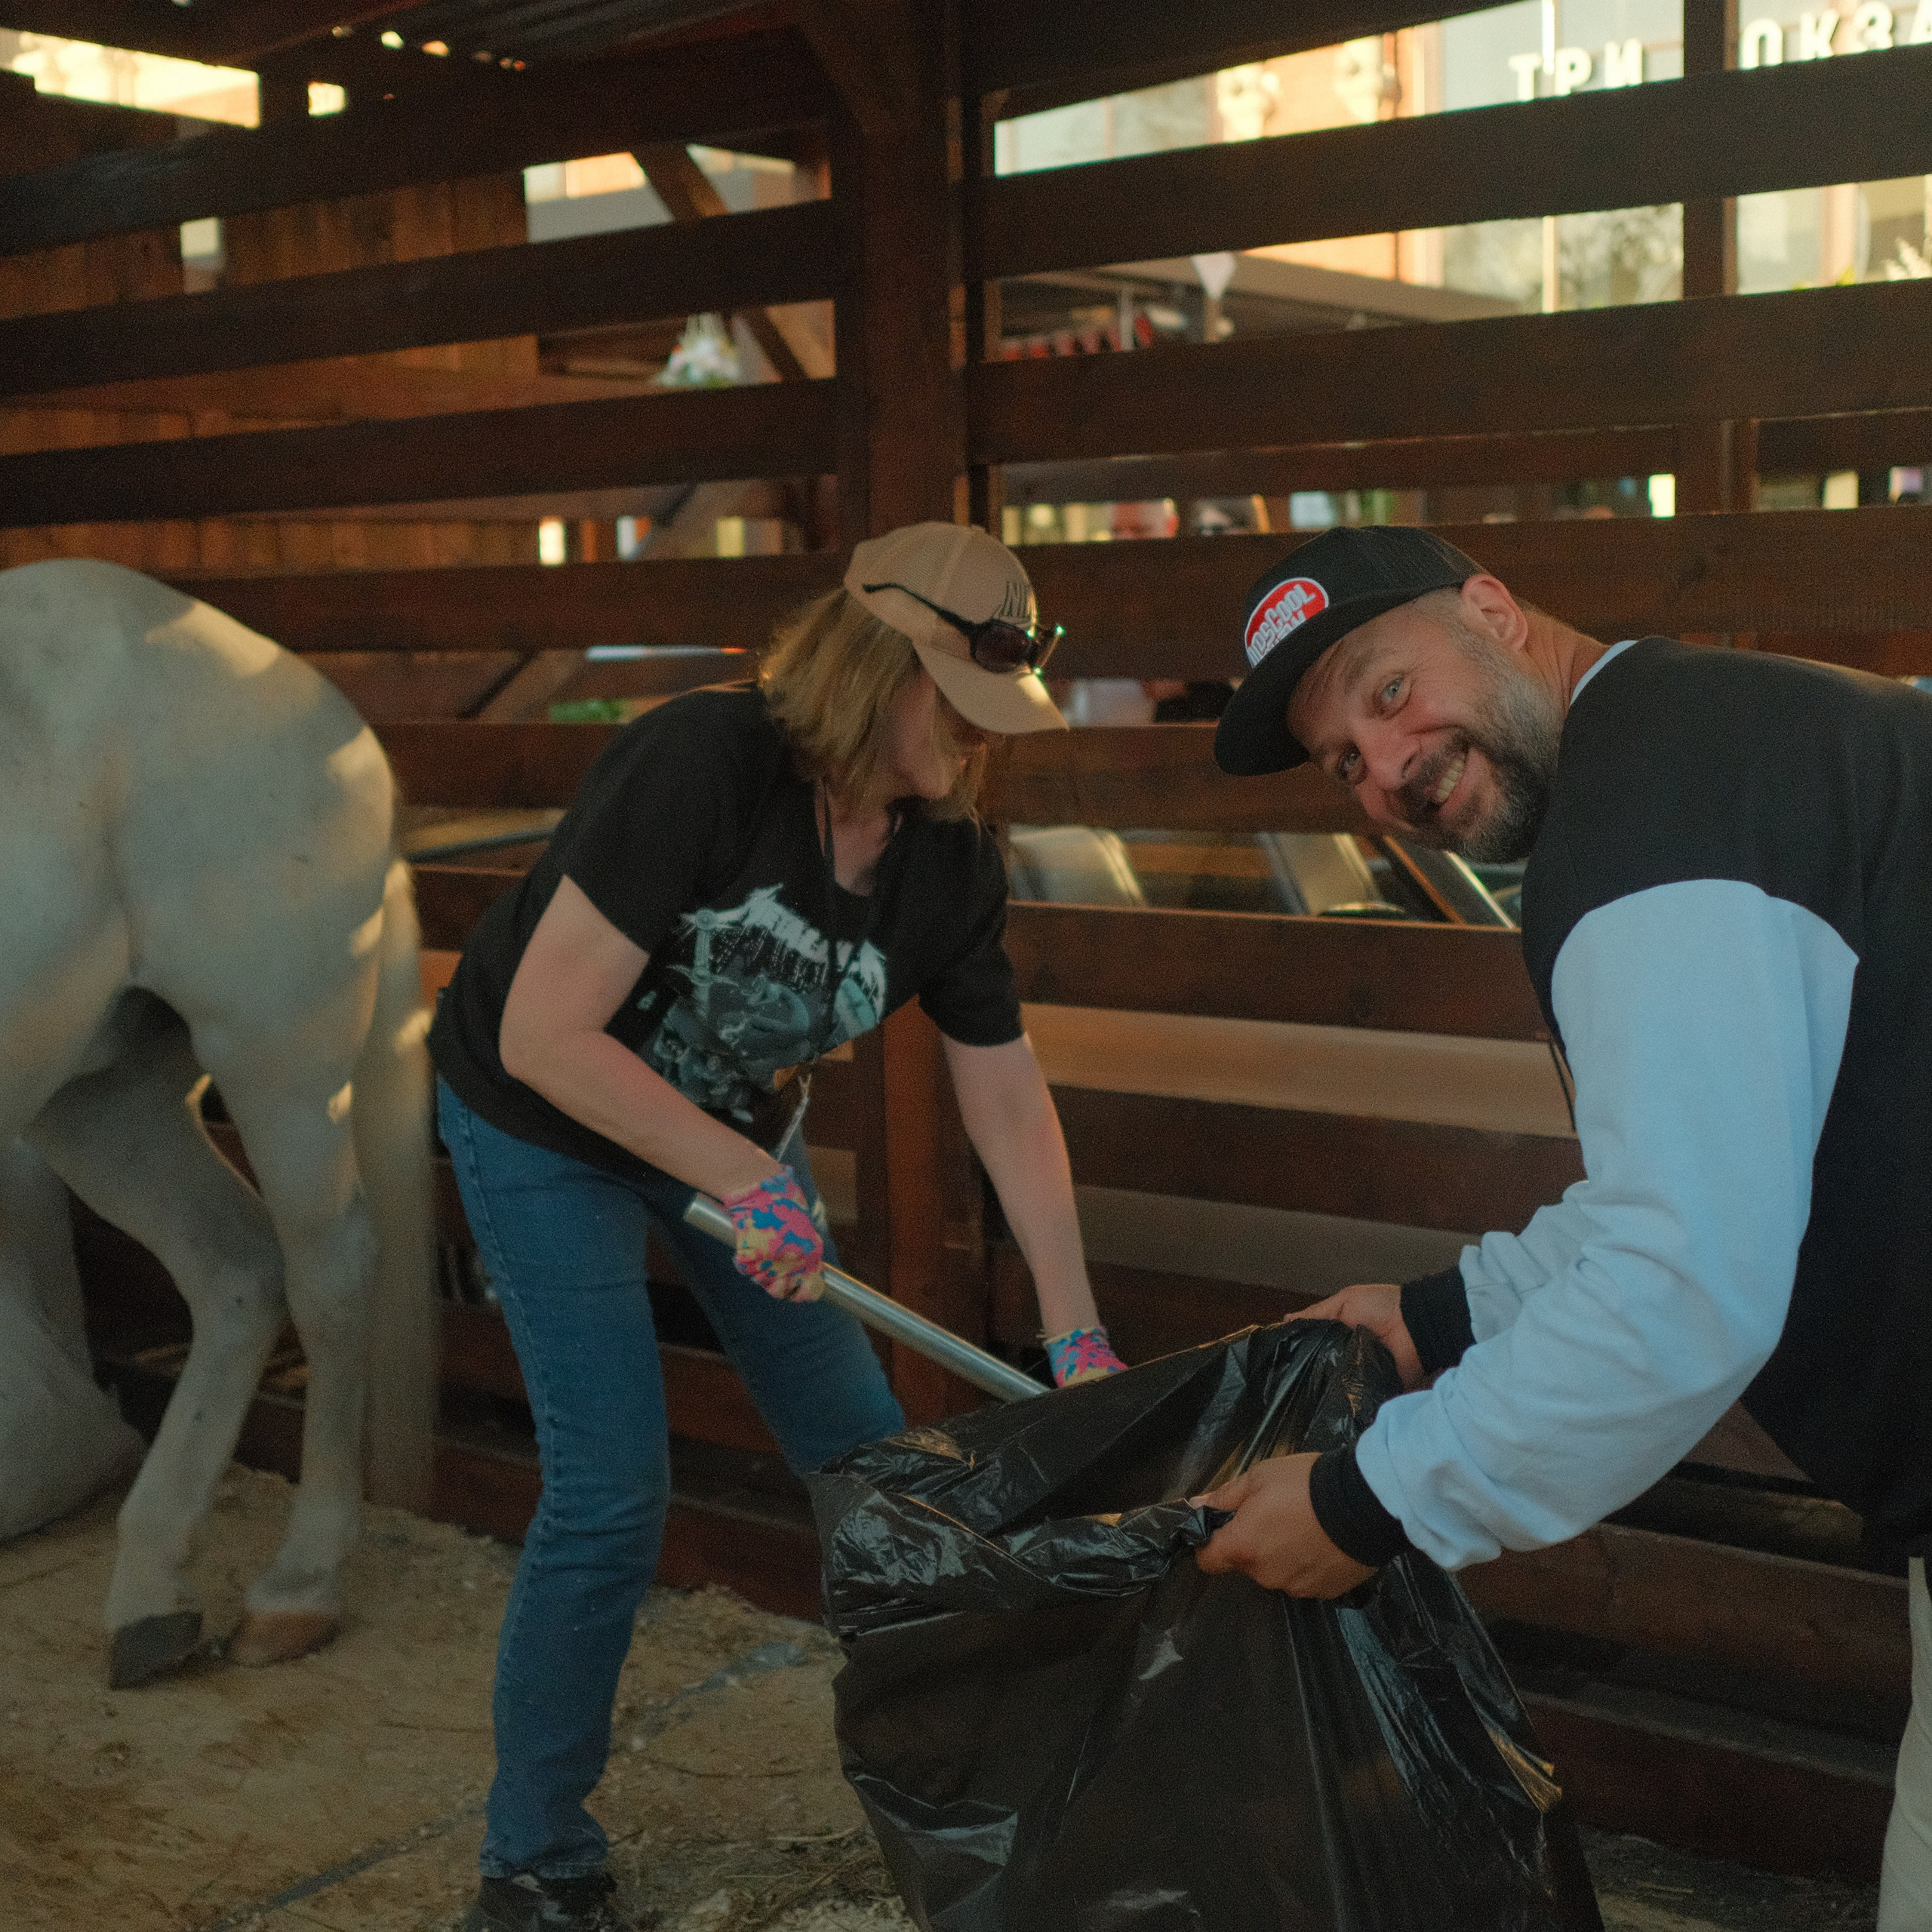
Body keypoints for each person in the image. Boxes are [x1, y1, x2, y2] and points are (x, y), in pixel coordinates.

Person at [1194, 524, 1931, 1929]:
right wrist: (1440, 1316)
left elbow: (1680, 1285)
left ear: (1493, 611)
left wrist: (1372, 1502)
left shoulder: (1648, 832)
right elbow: (1697, 1180)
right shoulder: (1705, 738)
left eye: (1388, 689)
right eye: (1343, 756)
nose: (1385, 768)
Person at [429, 521, 1126, 1932]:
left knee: (871, 1470)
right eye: (958, 700)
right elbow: (548, 1032)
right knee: (612, 1486)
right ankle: (534, 1860)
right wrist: (745, 1187)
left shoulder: (949, 862)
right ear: (878, 664)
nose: (983, 742)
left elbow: (1006, 1101)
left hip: (734, 1141)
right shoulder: (703, 763)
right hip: (542, 1117)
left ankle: (962, 1797)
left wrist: (1079, 1334)